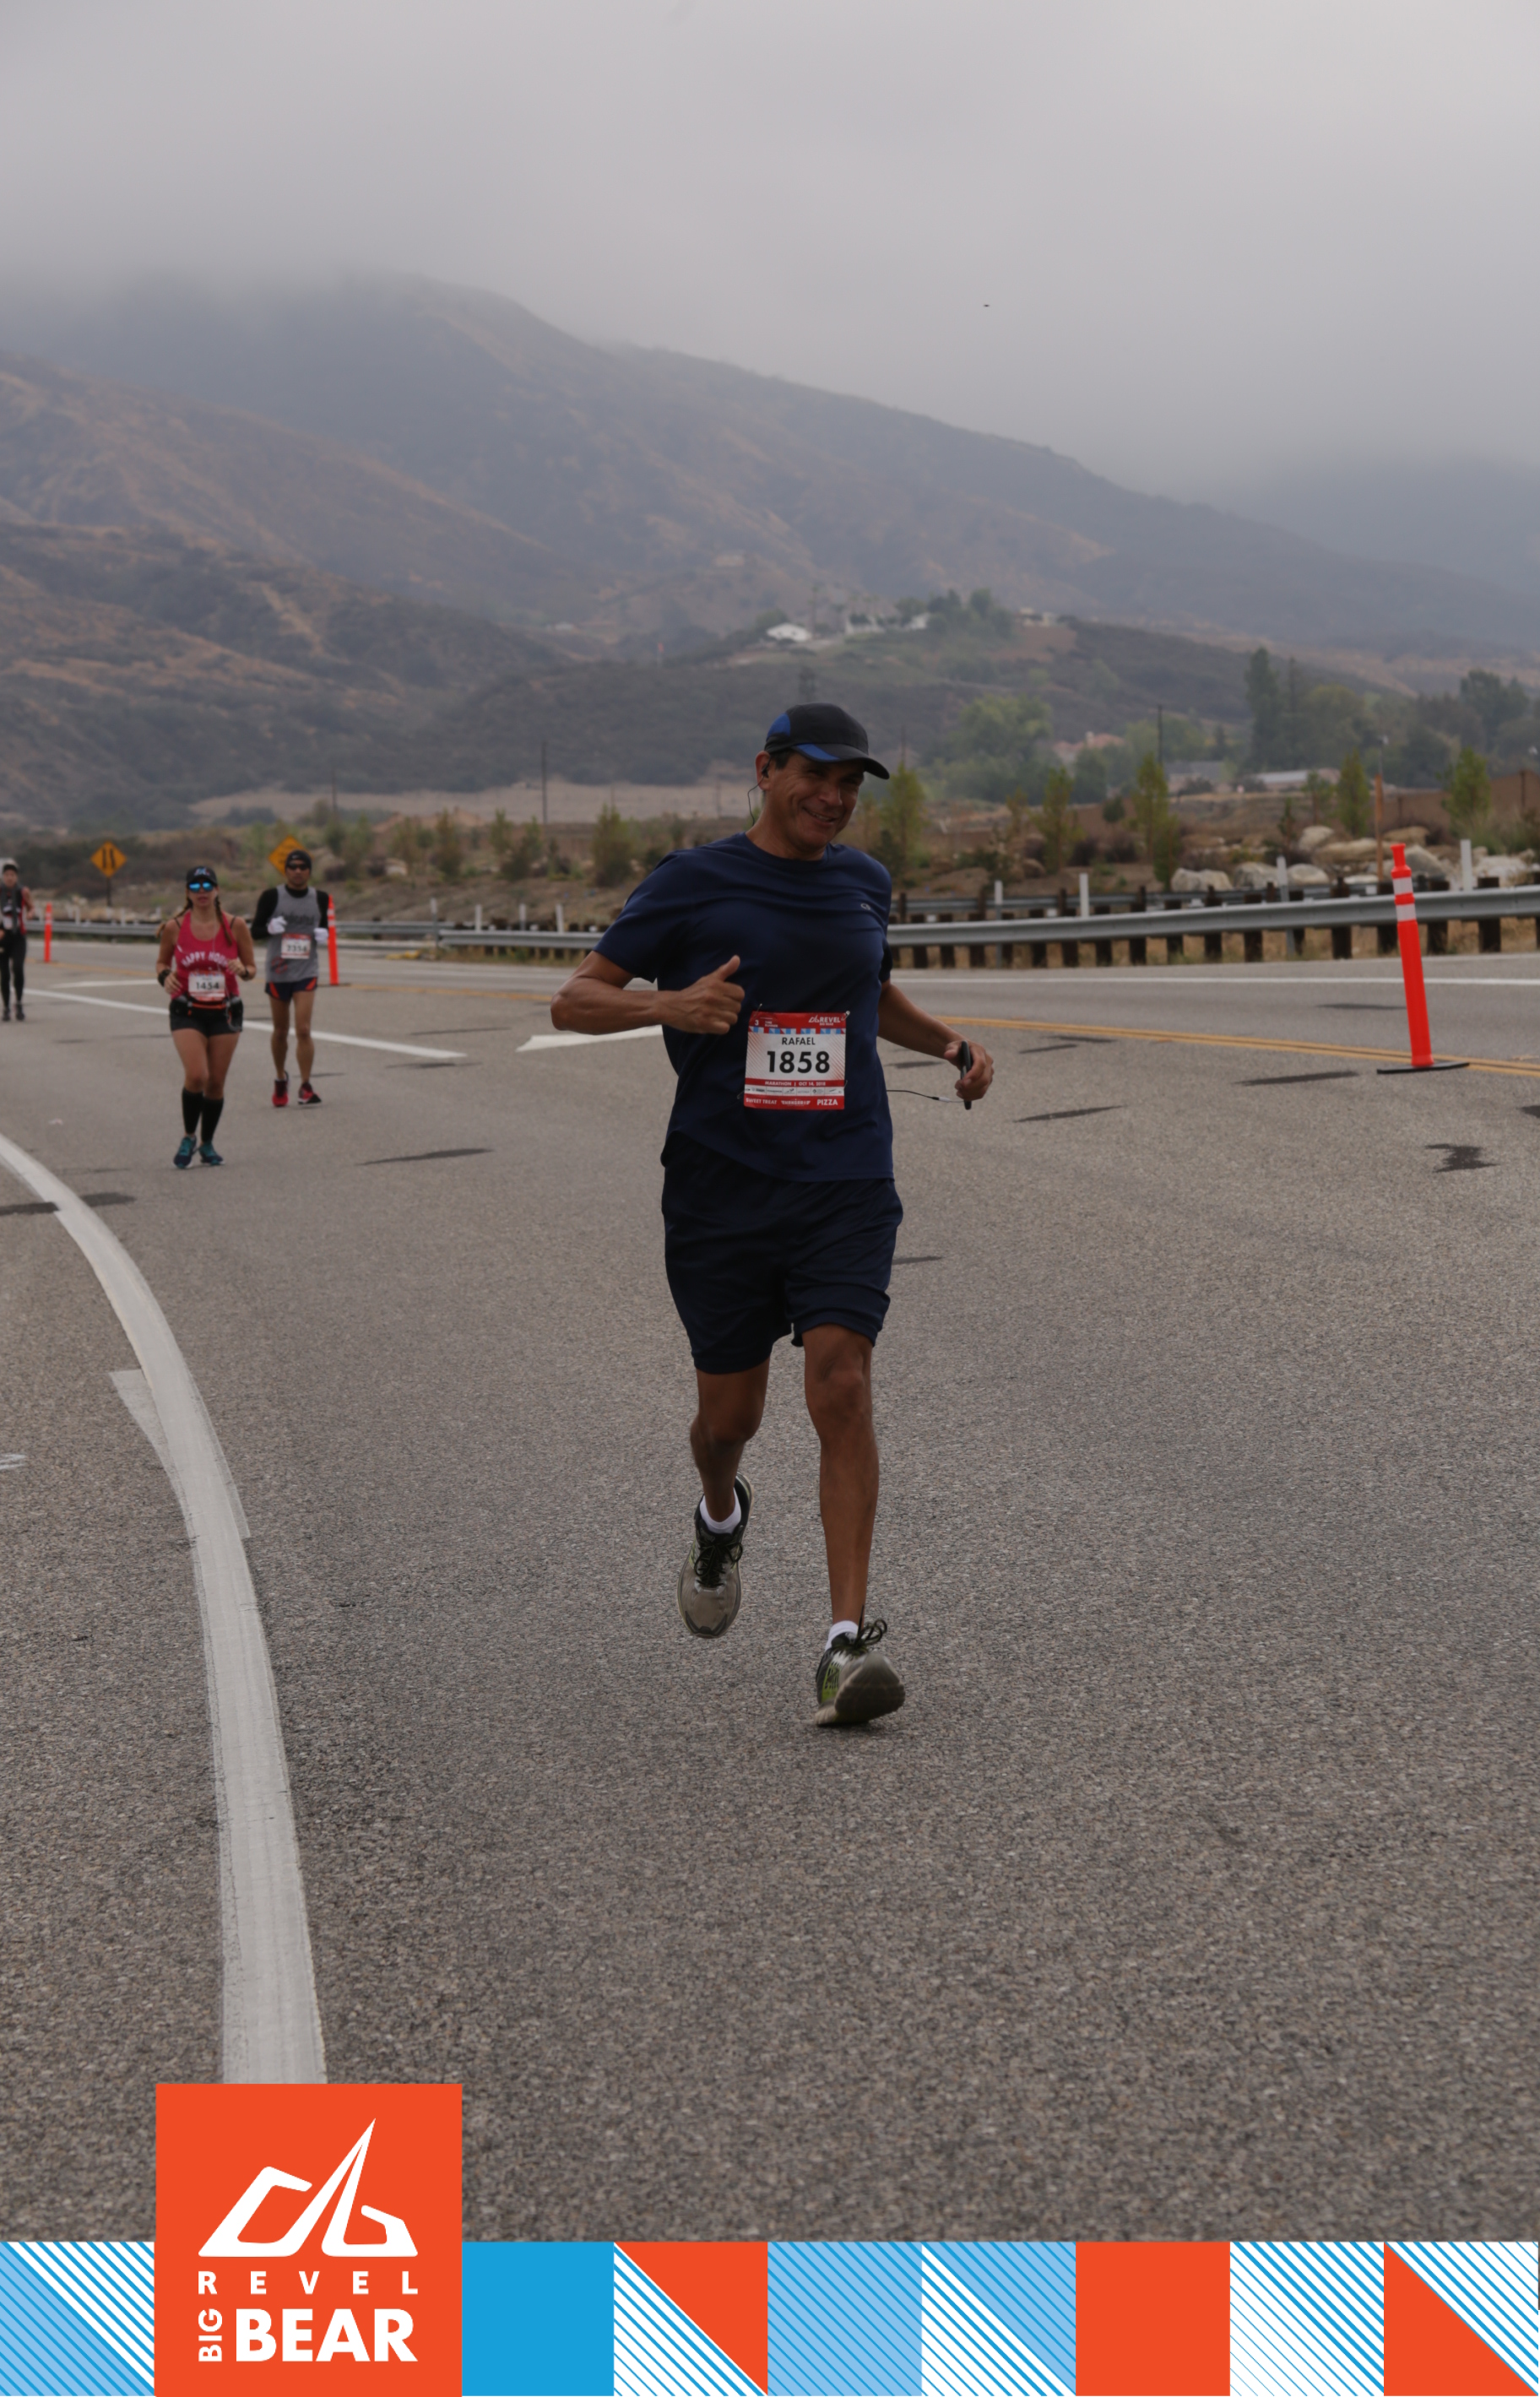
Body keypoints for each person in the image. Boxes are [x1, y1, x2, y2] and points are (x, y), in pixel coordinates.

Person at [551, 702, 993, 1724]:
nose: (833, 799)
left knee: (842, 1381)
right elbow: (574, 999)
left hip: (844, 1174)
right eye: (815, 777)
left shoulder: (863, 881)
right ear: (765, 770)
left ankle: (844, 1644)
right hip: (722, 1186)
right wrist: (668, 1005)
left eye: (849, 785)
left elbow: (868, 994)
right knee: (730, 1419)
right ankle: (720, 1514)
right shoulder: (691, 881)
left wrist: (951, 1045)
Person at [156, 865, 256, 1167]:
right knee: (198, 1075)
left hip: (225, 1011)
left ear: (217, 890)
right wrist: (165, 977)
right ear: (187, 892)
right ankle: (189, 1136)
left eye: (207, 885)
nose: (202, 891)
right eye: (195, 886)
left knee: (215, 1083)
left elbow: (251, 968)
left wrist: (243, 970)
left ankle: (207, 1143)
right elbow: (162, 962)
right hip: (187, 1009)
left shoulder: (235, 925)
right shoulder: (175, 927)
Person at [249, 848, 332, 1105]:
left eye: (303, 867)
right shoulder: (271, 896)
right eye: (293, 867)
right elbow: (254, 931)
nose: (298, 871)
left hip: (306, 970)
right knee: (281, 1031)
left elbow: (323, 927)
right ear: (285, 870)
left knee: (304, 1029)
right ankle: (280, 1078)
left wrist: (324, 934)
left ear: (309, 871)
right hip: (279, 970)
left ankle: (306, 1086)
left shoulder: (320, 898)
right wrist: (269, 928)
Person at [0, 858, 31, 1022]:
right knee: (4, 974)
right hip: (2, 937)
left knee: (18, 968)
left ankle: (18, 1003)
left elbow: (31, 908)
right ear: (3, 876)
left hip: (19, 936)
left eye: (12, 875)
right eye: (7, 875)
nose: (9, 878)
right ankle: (6, 1007)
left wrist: (31, 913)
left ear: (16, 876)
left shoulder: (23, 892)